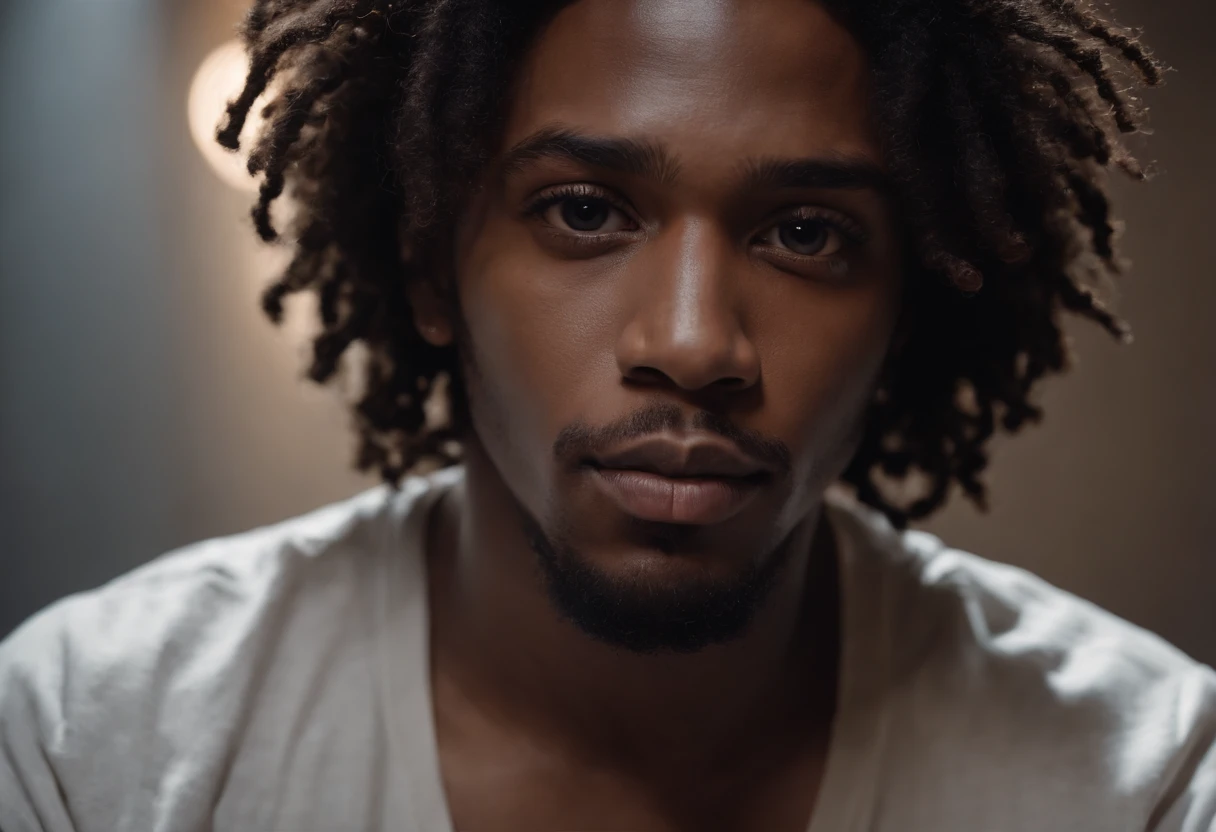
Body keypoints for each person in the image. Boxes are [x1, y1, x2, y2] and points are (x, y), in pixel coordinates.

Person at [2, 0, 1213, 829]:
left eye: (806, 233)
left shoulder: (1141, 777)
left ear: (910, 300)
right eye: (585, 210)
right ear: (432, 265)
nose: (691, 344)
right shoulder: (90, 743)